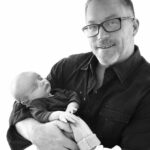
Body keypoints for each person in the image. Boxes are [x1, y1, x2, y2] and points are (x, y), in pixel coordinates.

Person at [7, 0, 150, 149]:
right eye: (92, 26)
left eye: (112, 22)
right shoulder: (66, 67)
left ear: (134, 27)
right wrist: (35, 131)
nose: (101, 36)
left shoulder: (147, 90)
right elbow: (23, 104)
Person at [11, 71, 80, 124]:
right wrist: (59, 115)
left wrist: (72, 105)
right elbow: (41, 115)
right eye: (35, 87)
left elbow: (72, 94)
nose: (42, 82)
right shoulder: (36, 104)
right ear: (26, 101)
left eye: (40, 78)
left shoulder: (56, 92)